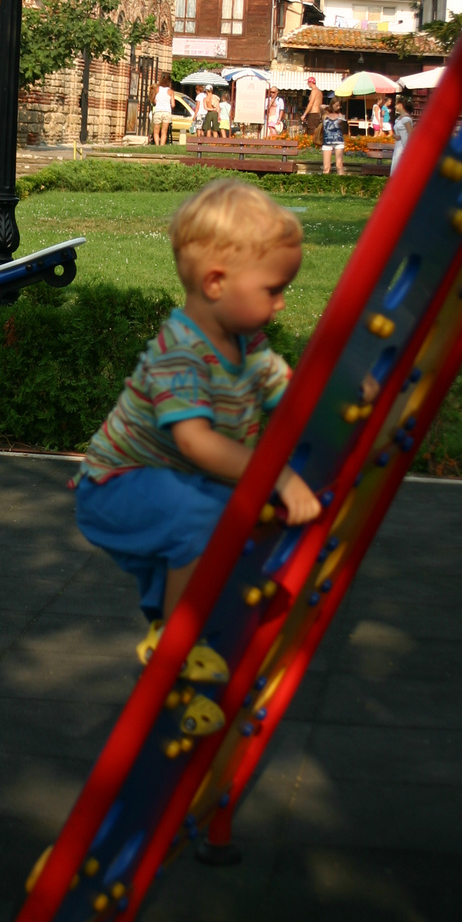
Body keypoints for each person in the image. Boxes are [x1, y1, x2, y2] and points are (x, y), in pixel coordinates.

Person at [75, 179, 322, 724]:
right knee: (206, 513)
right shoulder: (180, 353)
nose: (282, 303)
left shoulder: (248, 346)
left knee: (217, 540)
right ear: (216, 282)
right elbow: (195, 441)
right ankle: (175, 642)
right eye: (274, 289)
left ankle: (182, 680)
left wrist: (350, 392)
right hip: (116, 486)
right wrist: (277, 477)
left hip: (168, 483)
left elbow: (294, 394)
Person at [321, 97, 347, 176]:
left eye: (340, 106)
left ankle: (342, 183)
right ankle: (324, 185)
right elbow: (320, 106)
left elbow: (344, 129)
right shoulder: (325, 115)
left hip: (338, 141)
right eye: (337, 105)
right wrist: (328, 107)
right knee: (326, 167)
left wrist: (342, 123)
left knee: (339, 165)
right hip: (327, 141)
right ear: (332, 104)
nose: (338, 107)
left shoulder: (340, 116)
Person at [390, 98, 414, 173]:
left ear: (400, 105)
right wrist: (394, 136)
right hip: (398, 146)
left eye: (396, 105)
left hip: (403, 147)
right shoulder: (398, 119)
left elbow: (410, 134)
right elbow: (395, 133)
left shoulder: (406, 119)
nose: (395, 106)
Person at [151, 71, 173, 146]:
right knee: (164, 132)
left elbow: (154, 100)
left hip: (158, 111)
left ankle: (157, 145)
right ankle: (162, 146)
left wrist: (157, 102)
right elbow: (173, 104)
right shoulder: (170, 91)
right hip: (167, 111)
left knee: (156, 131)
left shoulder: (157, 89)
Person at [303, 76, 323, 142]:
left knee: (311, 131)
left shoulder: (314, 91)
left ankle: (311, 146)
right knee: (316, 131)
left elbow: (311, 103)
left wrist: (304, 114)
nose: (307, 84)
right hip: (318, 114)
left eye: (308, 82)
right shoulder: (319, 92)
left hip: (313, 113)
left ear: (311, 82)